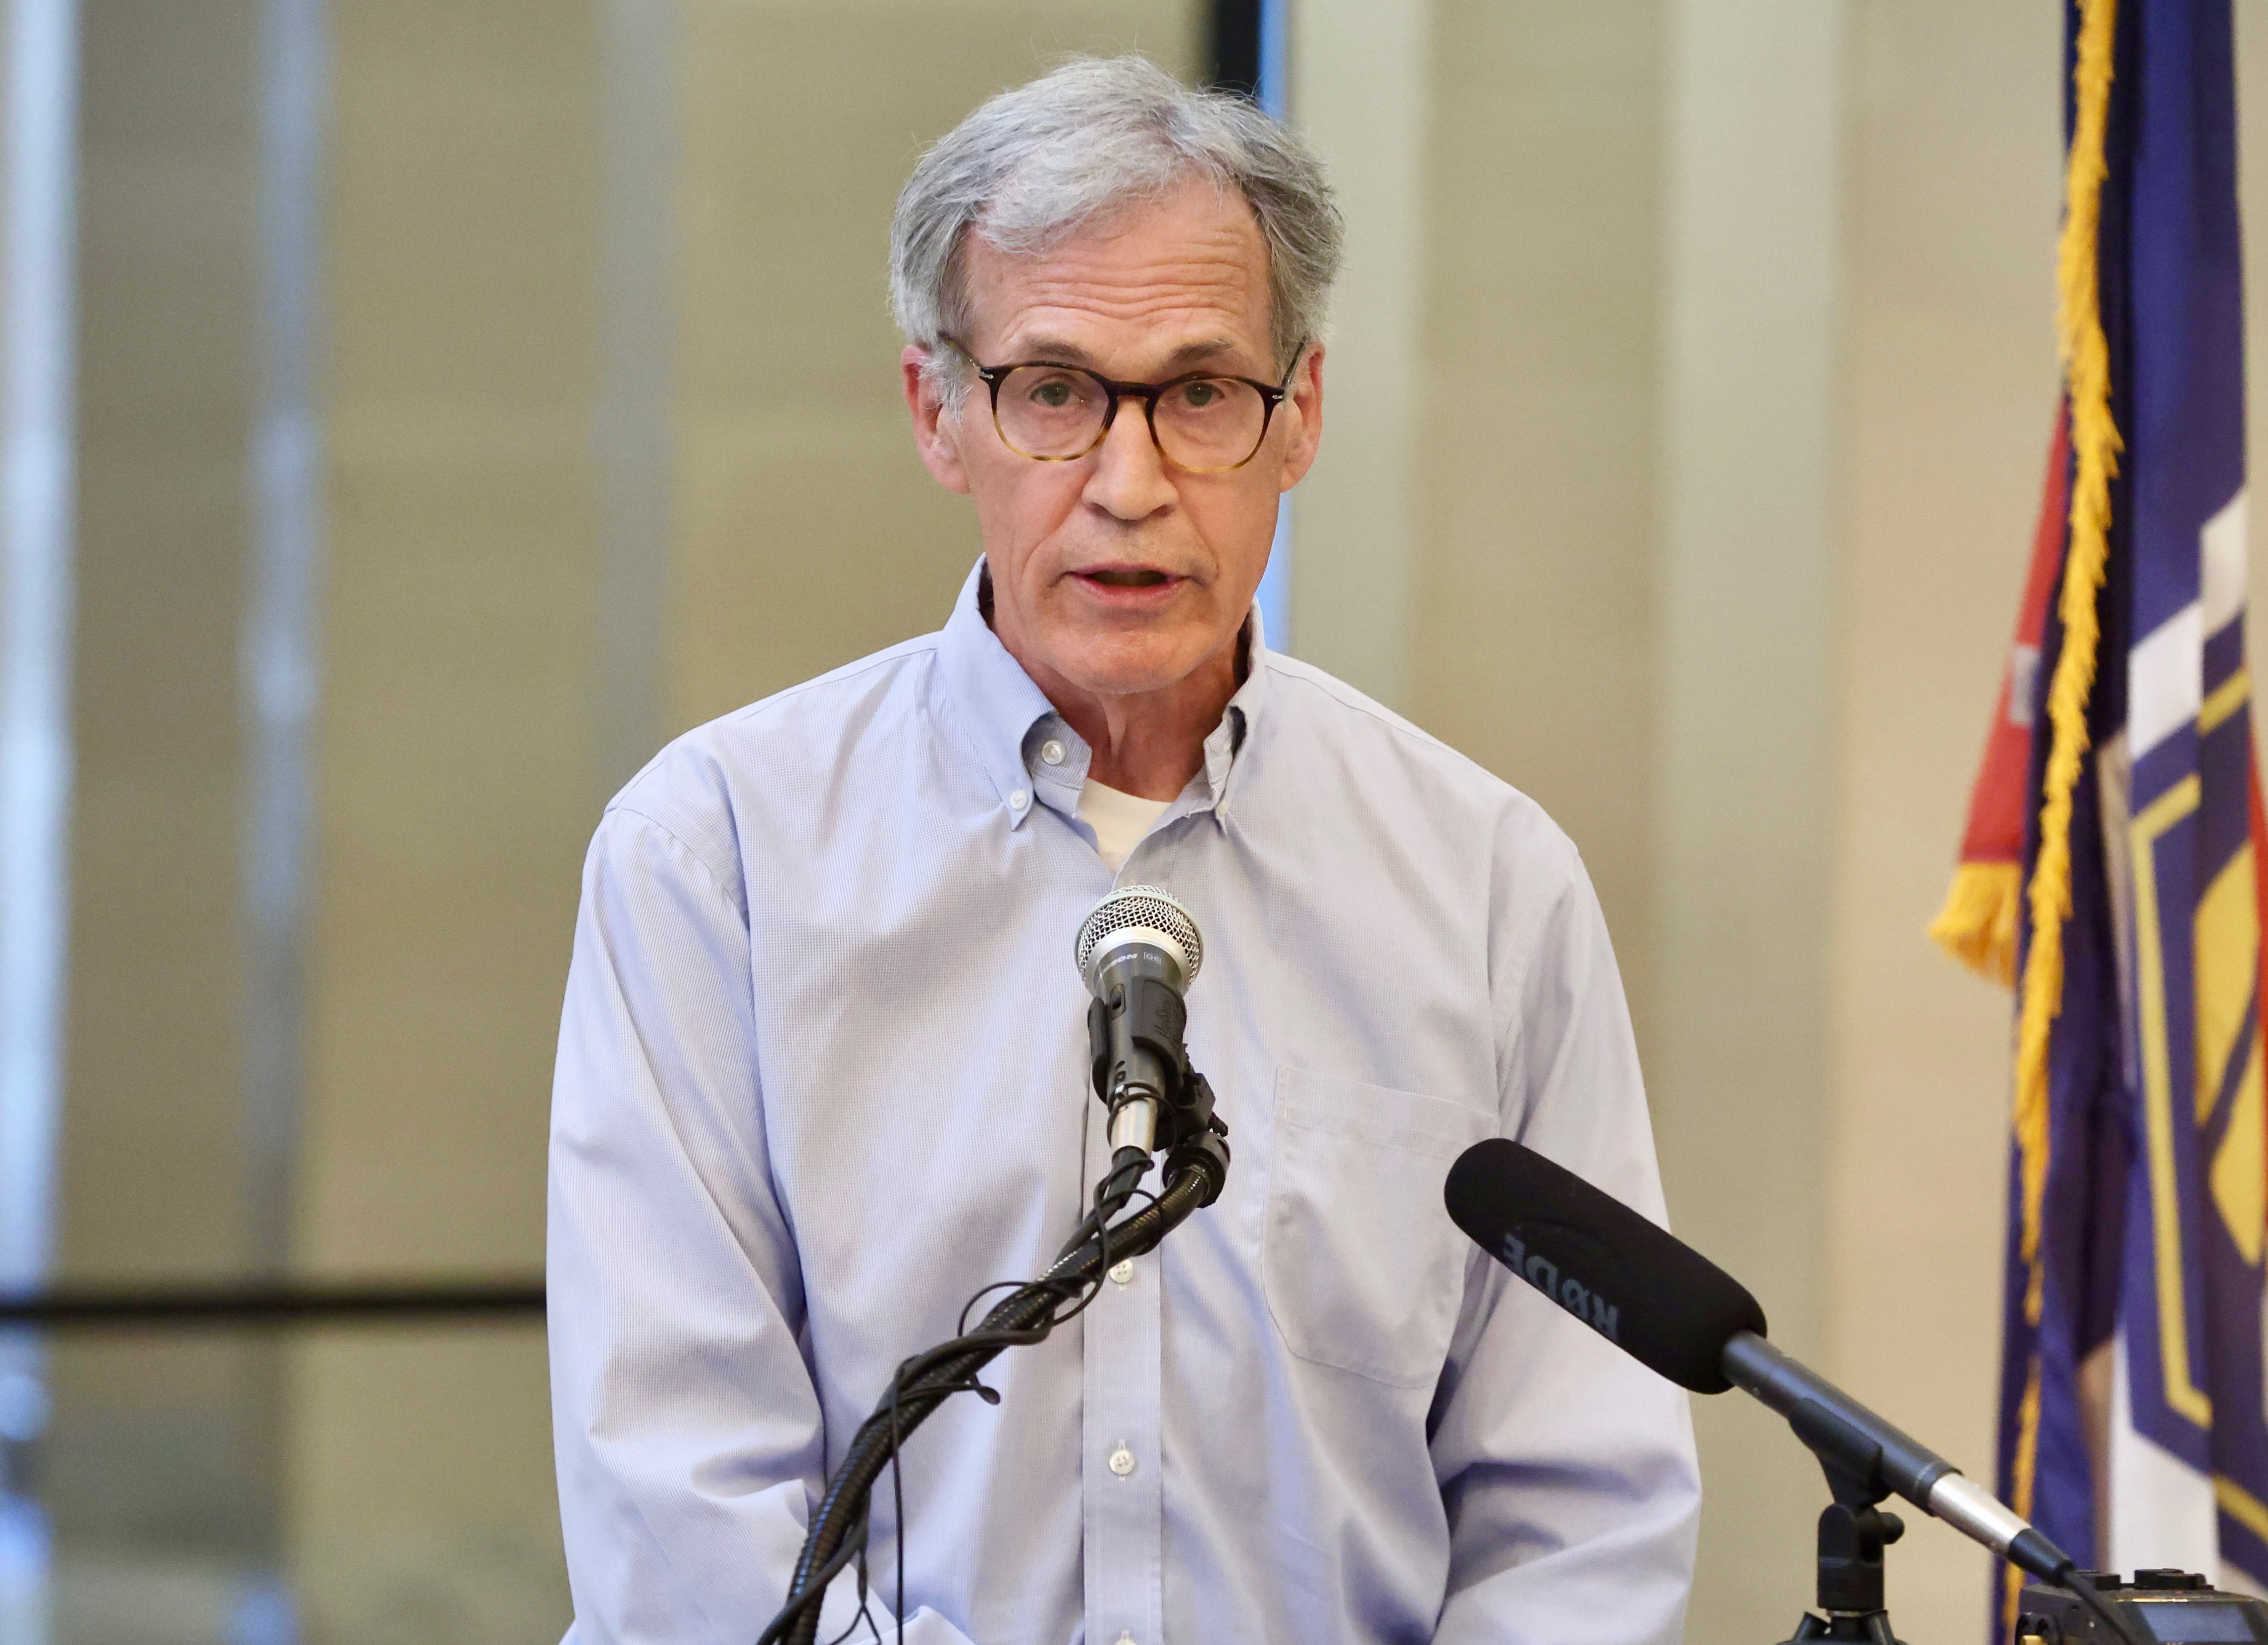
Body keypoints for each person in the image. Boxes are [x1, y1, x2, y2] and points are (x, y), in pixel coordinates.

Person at [548, 55, 1699, 1645]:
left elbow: (1582, 1503)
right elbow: (674, 1505)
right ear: (938, 412)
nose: (1130, 484)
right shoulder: (719, 857)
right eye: (1055, 391)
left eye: (1202, 393)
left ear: (1301, 415)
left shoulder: (1489, 885)